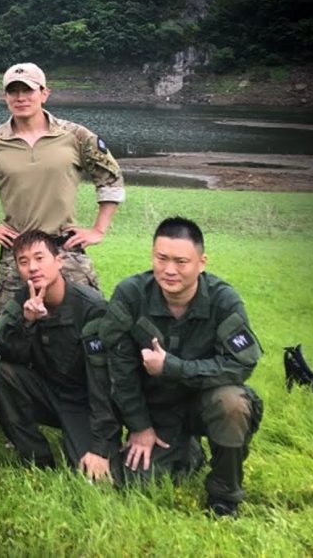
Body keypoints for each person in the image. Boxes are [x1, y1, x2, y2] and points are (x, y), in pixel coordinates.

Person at [99, 217, 263, 517]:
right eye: (161, 258)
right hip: (155, 410)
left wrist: (173, 367)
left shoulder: (223, 301)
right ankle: (187, 452)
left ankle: (224, 495)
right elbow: (119, 369)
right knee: (136, 483)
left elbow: (241, 363)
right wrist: (139, 426)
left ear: (201, 263)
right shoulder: (131, 295)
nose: (169, 270)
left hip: (203, 404)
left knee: (232, 403)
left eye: (181, 261)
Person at [0, 62, 125, 319]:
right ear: (5, 97)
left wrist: (99, 229)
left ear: (44, 93)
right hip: (17, 253)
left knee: (89, 322)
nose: (21, 97)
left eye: (28, 90)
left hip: (65, 249)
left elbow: (110, 178)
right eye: (13, 91)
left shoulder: (76, 136)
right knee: (12, 327)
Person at [0, 230, 120, 481]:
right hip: (46, 392)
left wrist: (101, 444)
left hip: (83, 401)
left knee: (95, 478)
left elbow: (103, 382)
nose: (32, 267)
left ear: (59, 261)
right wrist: (27, 322)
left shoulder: (91, 308)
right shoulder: (22, 300)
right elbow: (1, 349)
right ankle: (36, 457)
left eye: (40, 258)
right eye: (23, 261)